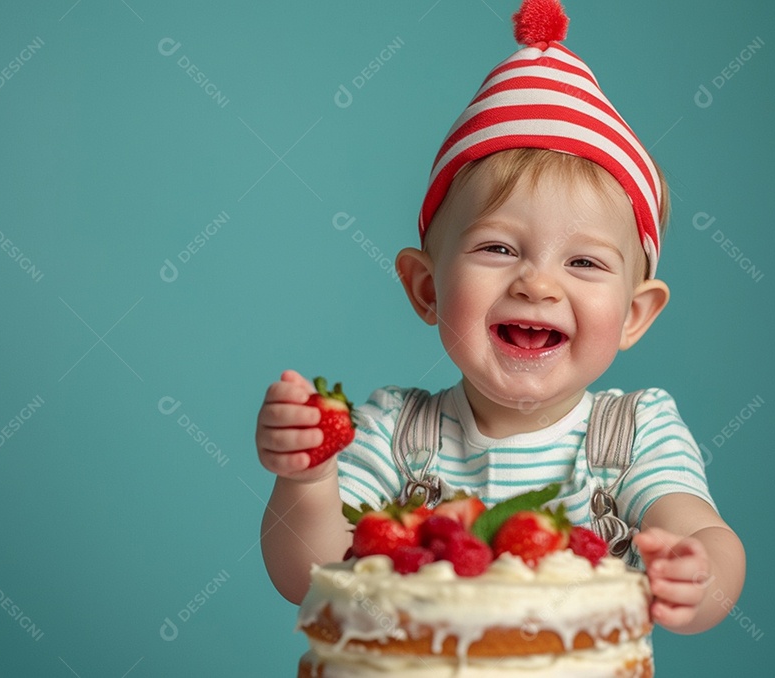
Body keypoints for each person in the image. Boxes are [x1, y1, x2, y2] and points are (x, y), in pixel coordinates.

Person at [255, 0, 744, 636]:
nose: (537, 284)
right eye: (498, 249)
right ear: (427, 289)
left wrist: (698, 575)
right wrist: (309, 481)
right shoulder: (394, 433)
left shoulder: (634, 436)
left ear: (634, 313)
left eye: (584, 263)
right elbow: (311, 574)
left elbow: (702, 531)